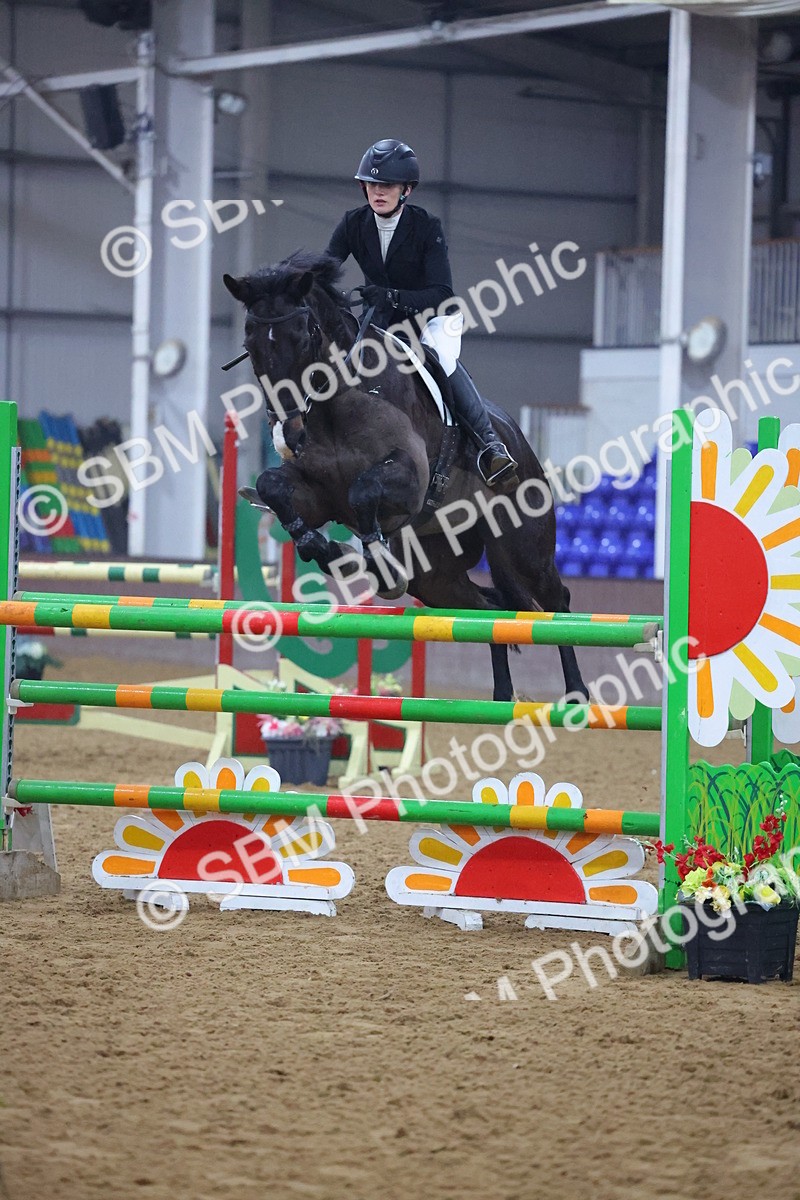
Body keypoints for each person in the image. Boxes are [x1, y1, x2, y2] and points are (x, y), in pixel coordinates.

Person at [325, 138, 518, 490]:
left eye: (386, 185)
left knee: (442, 363)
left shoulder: (427, 227)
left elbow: (442, 293)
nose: (377, 192)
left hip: (431, 318)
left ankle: (490, 445)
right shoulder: (353, 223)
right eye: (371, 184)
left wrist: (391, 295)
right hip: (380, 319)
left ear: (406, 190)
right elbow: (325, 269)